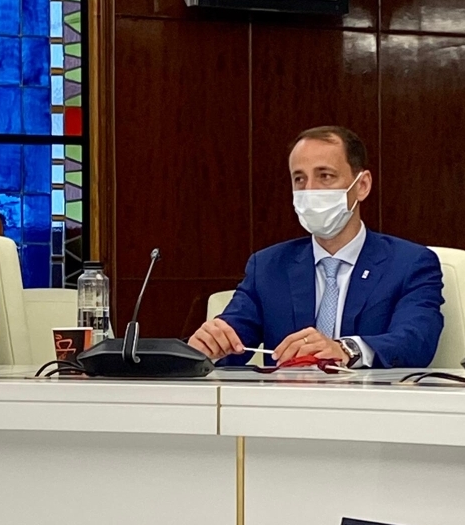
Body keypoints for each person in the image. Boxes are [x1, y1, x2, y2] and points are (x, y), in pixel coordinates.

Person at [189, 126, 444, 368]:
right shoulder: (268, 266)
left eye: (325, 176)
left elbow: (416, 340)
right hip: (286, 397)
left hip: (372, 398)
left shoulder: (410, 264)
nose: (309, 190)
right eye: (299, 179)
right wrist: (210, 346)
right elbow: (232, 340)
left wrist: (346, 350)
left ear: (362, 185)